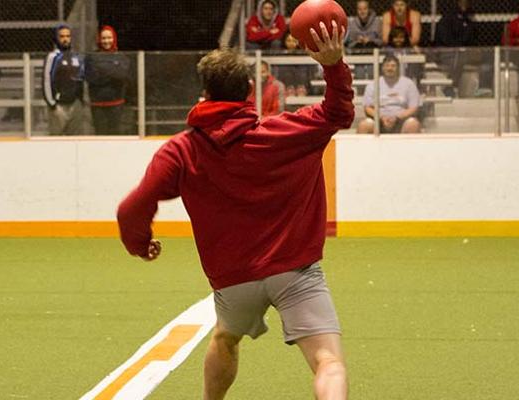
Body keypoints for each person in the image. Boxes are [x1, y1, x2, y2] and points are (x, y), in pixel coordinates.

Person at [117, 21, 352, 400]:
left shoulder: (182, 150)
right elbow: (338, 112)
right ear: (249, 91)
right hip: (297, 269)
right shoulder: (288, 132)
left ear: (205, 94)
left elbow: (133, 206)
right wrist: (333, 64)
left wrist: (139, 243)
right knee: (329, 363)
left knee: (225, 339)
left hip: (234, 281)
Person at [84, 25, 131, 135]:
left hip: (116, 104)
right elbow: (92, 78)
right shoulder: (92, 56)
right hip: (98, 105)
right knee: (100, 136)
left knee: (115, 136)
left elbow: (122, 75)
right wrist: (112, 71)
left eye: (109, 38)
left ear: (114, 38)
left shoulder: (121, 57)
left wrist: (102, 70)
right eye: (104, 38)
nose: (106, 41)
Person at [357, 54, 421, 134]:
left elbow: (414, 107)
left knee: (413, 124)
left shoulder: (408, 84)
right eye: (387, 65)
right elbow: (367, 108)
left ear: (398, 68)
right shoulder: (373, 84)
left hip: (401, 121)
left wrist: (397, 117)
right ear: (382, 68)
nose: (390, 68)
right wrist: (381, 117)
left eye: (393, 66)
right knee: (364, 125)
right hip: (379, 121)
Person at [42, 24, 85, 135]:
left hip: (75, 105)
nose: (65, 39)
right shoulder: (52, 57)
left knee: (75, 142)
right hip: (59, 106)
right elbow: (46, 80)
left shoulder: (76, 56)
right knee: (56, 141)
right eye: (62, 36)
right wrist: (52, 104)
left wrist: (80, 101)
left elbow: (80, 79)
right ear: (57, 38)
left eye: (67, 36)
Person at [276, 33, 310, 97]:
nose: (291, 43)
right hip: (286, 86)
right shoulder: (280, 55)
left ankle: (301, 89)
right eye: (289, 41)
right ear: (284, 42)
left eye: (294, 41)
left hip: (301, 86)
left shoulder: (303, 55)